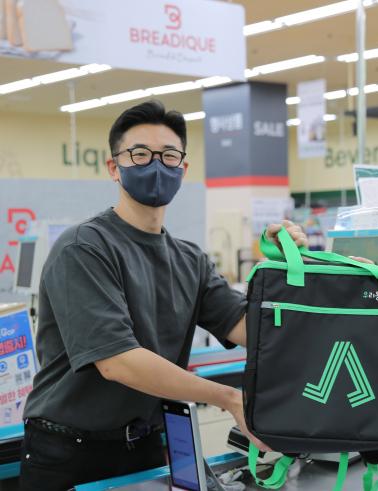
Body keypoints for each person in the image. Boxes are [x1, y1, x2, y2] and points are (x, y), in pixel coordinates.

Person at [19, 100, 307, 490]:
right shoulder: (84, 247)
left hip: (145, 444)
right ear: (114, 167)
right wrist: (227, 397)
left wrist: (294, 267)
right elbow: (118, 362)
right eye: (140, 154)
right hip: (69, 452)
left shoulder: (190, 260)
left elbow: (252, 329)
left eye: (169, 156)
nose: (156, 166)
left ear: (182, 169)